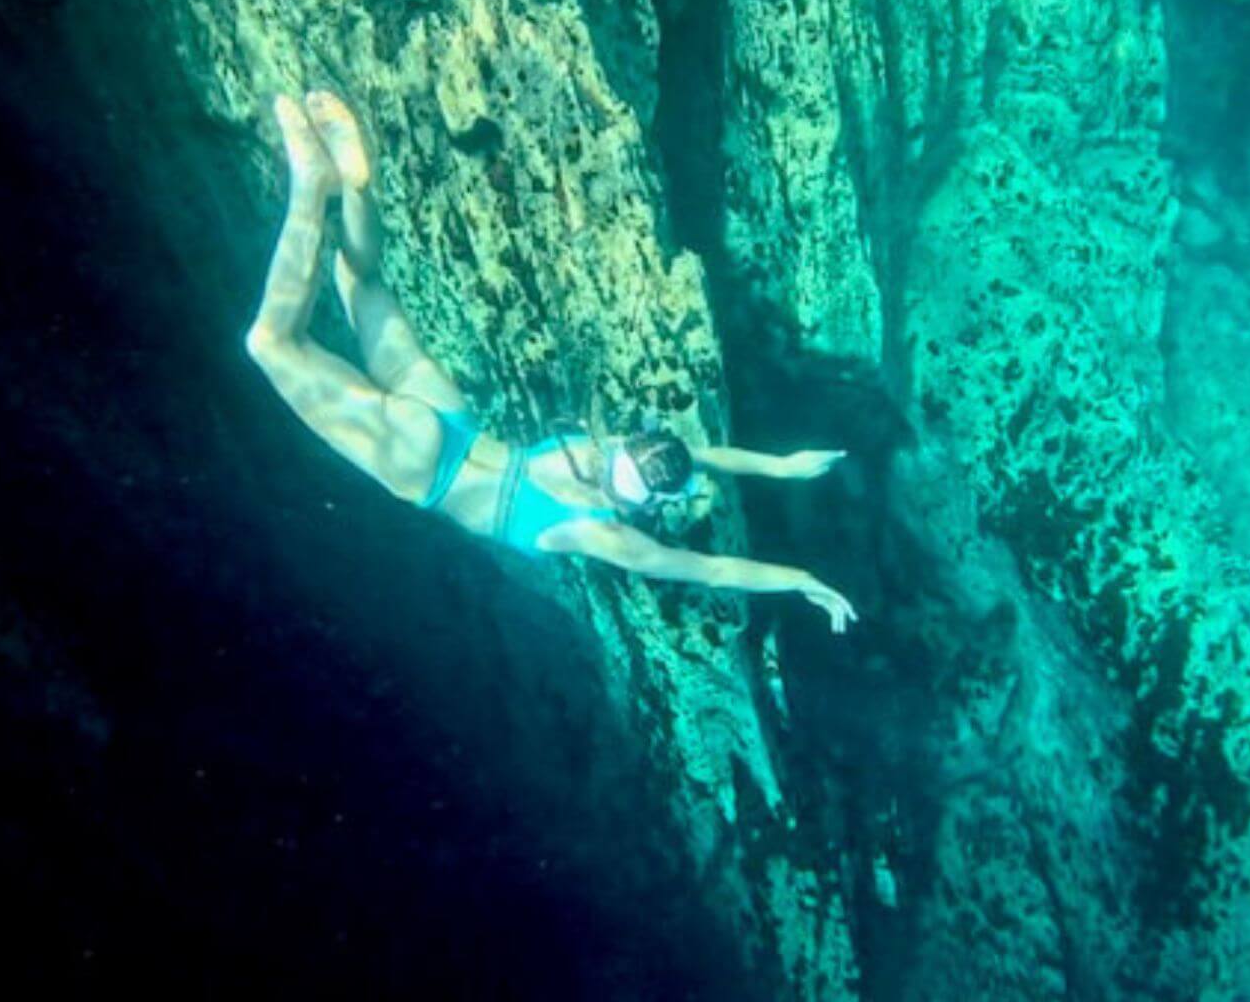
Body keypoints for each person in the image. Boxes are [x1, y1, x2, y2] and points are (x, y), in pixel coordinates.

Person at [244, 87, 858, 633]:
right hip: (423, 466)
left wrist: (781, 466)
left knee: (361, 277)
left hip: (449, 414)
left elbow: (706, 456)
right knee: (271, 344)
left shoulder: (607, 445)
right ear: (646, 501)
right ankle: (312, 184)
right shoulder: (602, 532)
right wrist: (803, 578)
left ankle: (357, 188)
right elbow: (715, 569)